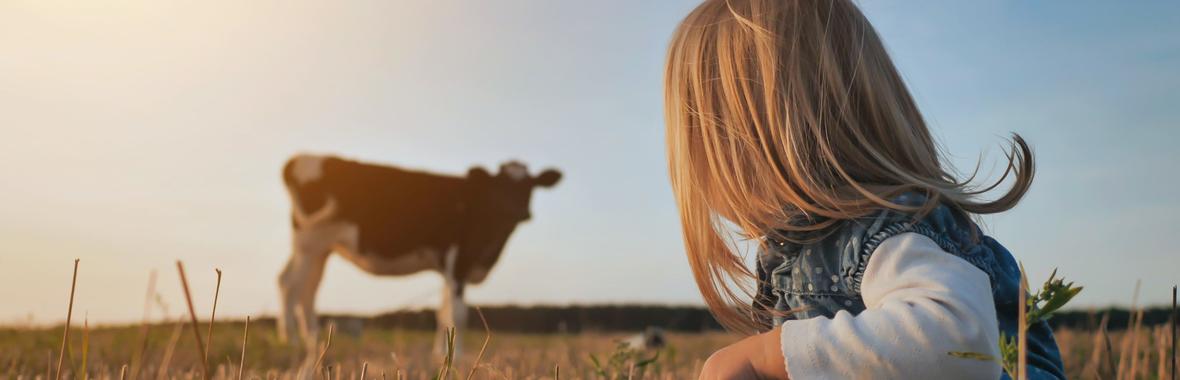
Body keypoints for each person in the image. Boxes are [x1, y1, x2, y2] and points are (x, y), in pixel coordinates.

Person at [662, 0, 1065, 378]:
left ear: (745, 144)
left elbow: (959, 339)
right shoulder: (808, 250)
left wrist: (768, 355)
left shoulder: (877, 232)